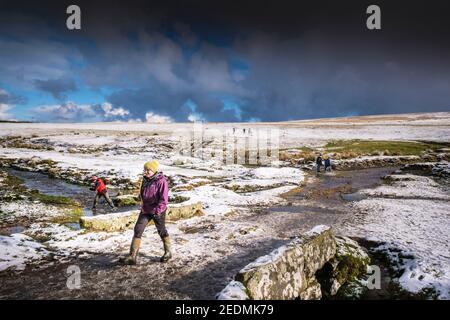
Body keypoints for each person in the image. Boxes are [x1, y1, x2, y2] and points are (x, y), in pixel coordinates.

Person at [121, 160, 171, 265]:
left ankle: (168, 252)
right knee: (138, 230)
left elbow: (164, 200)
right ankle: (132, 257)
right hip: (146, 210)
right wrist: (141, 201)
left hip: (158, 210)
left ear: (154, 170)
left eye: (148, 170)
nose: (145, 172)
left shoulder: (161, 182)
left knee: (161, 231)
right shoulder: (145, 180)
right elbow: (143, 193)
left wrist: (157, 211)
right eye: (145, 169)